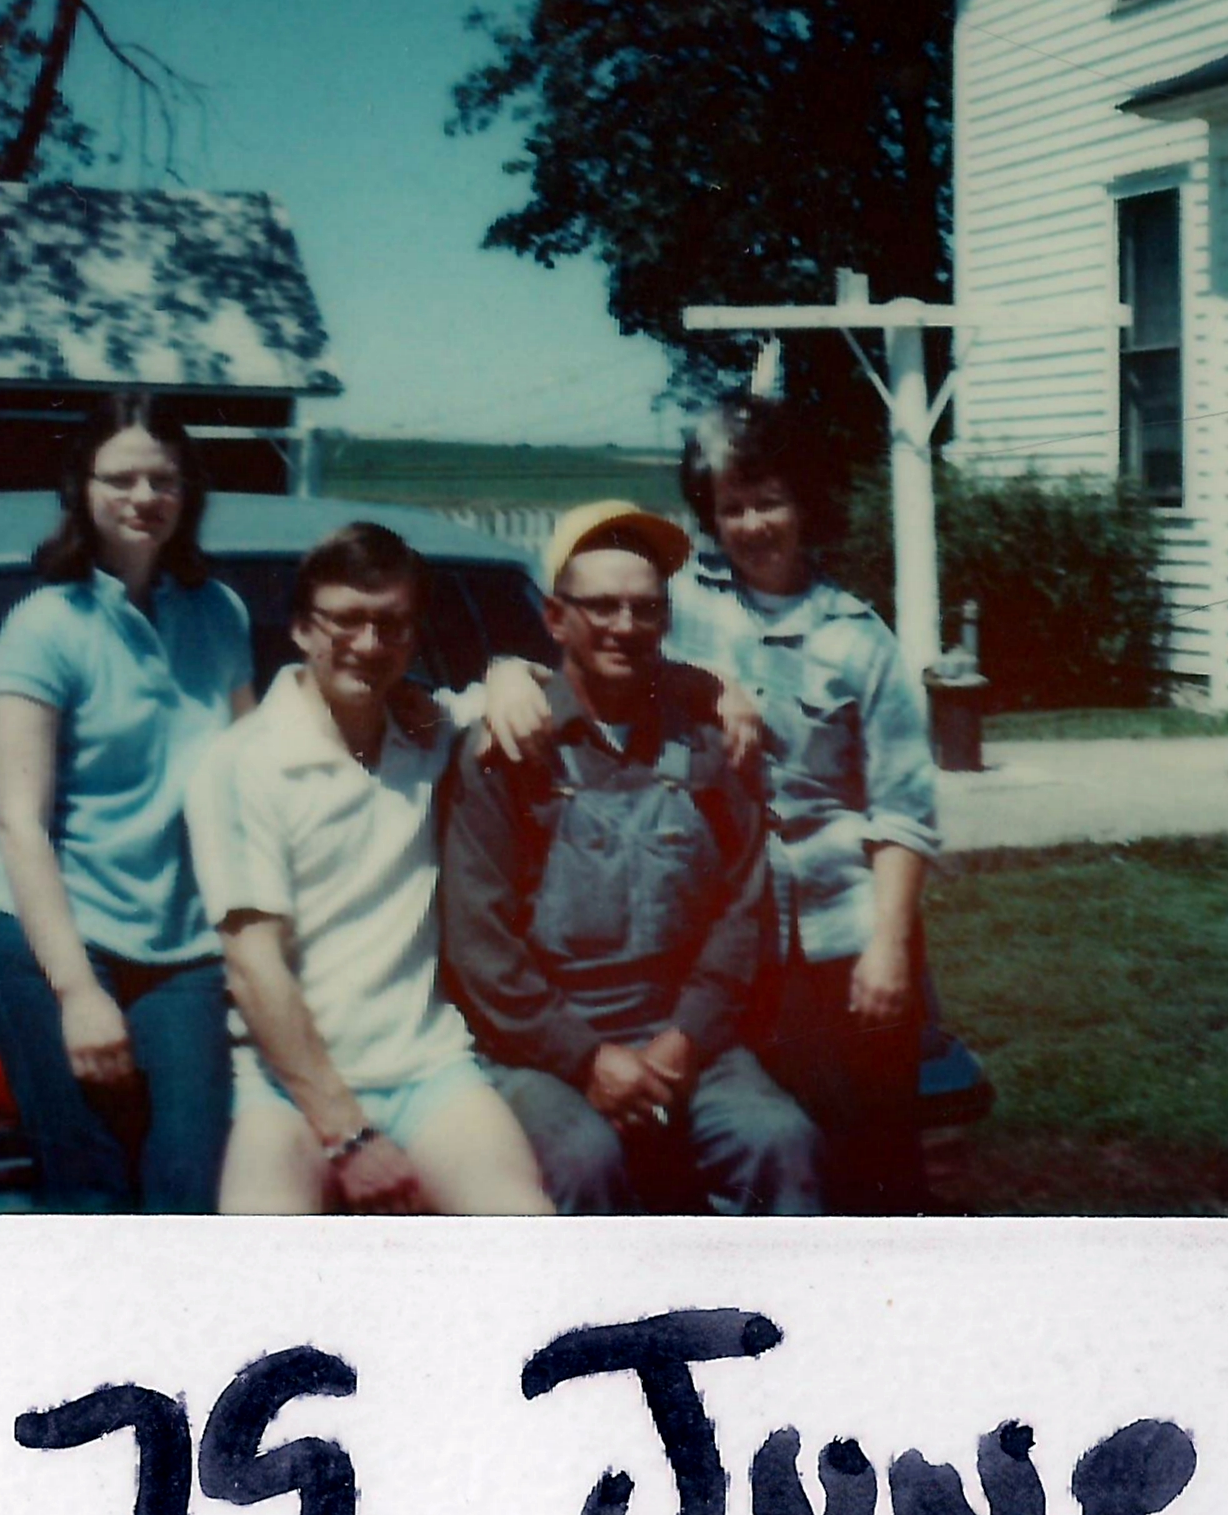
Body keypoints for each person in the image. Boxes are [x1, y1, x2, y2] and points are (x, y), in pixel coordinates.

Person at [440, 501, 823, 1215]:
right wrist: (584, 1057)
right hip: (539, 1049)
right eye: (602, 607)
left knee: (778, 1138)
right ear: (557, 619)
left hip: (685, 1036)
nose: (625, 626)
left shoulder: (710, 744)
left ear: (666, 622)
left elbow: (741, 912)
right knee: (581, 1160)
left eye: (645, 609)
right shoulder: (505, 750)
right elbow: (480, 948)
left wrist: (685, 1038)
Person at [184, 522, 552, 1216]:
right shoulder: (242, 764)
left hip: (430, 1070)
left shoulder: (428, 729)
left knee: (527, 1231)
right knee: (258, 1268)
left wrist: (508, 670)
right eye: (345, 620)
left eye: (391, 625)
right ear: (299, 628)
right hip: (288, 1088)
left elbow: (552, 691)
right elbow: (254, 970)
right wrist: (348, 1135)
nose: (369, 644)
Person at [0, 396, 254, 1212]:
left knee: (194, 1189)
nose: (143, 497)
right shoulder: (43, 627)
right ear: (83, 489)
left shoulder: (220, 612)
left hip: (184, 946)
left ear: (188, 491)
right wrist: (77, 993)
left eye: (162, 479)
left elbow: (253, 776)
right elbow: (18, 823)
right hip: (59, 939)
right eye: (120, 478)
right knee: (91, 1191)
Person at [671, 394, 942, 1213]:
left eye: (769, 501)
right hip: (727, 941)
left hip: (843, 941)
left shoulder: (862, 638)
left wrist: (887, 949)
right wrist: (713, 682)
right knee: (756, 1153)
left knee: (873, 1166)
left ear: (804, 503)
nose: (752, 524)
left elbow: (903, 813)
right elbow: (598, 650)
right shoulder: (679, 608)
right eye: (732, 507)